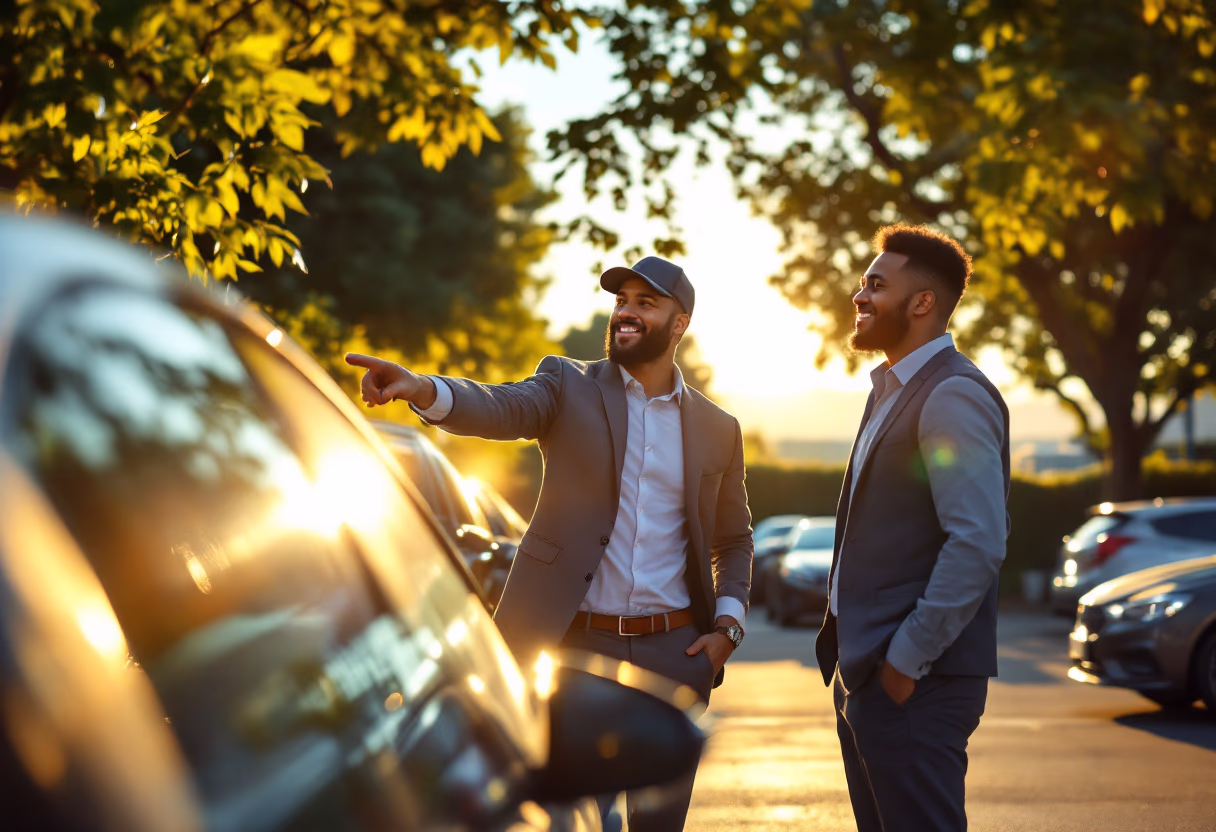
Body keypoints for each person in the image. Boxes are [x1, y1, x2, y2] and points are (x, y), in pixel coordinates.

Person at [347, 256, 753, 832]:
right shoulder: (568, 384)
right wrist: (423, 389)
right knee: (558, 815)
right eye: (622, 301)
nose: (627, 313)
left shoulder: (718, 428)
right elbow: (499, 405)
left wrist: (726, 629)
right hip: (569, 645)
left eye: (645, 302)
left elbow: (733, 539)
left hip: (675, 650)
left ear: (679, 322)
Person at [816, 225, 1010, 832]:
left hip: (913, 686)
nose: (859, 294)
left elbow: (977, 542)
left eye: (877, 283)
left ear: (922, 302)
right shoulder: (892, 390)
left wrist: (904, 662)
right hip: (870, 679)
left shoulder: (951, 394)